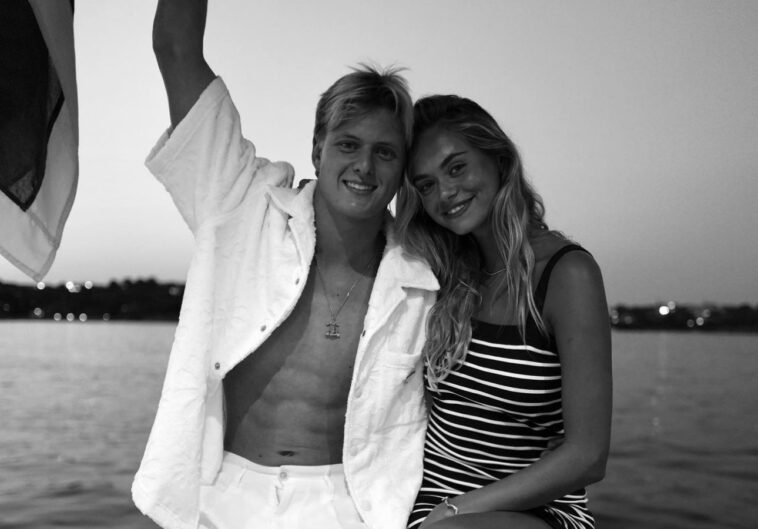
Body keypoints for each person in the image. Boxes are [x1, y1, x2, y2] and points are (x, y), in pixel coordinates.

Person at [131, 1, 439, 528]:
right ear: (317, 149)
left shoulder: (424, 276)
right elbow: (175, 47)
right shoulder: (242, 203)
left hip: (350, 504)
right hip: (223, 493)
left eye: (385, 152)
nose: (364, 166)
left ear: (402, 168)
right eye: (348, 145)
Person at [396, 95, 612, 529]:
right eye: (426, 185)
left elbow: (588, 455)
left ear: (498, 158)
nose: (445, 193)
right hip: (426, 500)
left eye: (456, 168)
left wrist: (457, 510)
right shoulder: (442, 271)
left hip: (528, 511)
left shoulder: (566, 275)